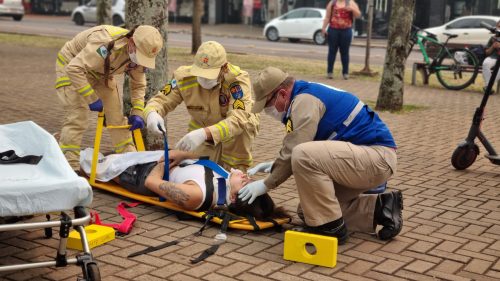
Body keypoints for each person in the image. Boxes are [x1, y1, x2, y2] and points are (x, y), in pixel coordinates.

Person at [238, 67, 402, 245]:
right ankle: (381, 208)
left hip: (376, 158)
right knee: (312, 212)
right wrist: (276, 164)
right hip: (365, 158)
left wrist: (266, 184)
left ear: (283, 94)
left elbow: (297, 149)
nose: (268, 111)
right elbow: (303, 148)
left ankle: (331, 230)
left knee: (302, 155)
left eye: (268, 105)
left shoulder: (304, 101)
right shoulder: (304, 94)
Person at [55, 25, 163, 172]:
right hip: (72, 65)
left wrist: (137, 112)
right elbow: (74, 69)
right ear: (131, 42)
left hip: (101, 72)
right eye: (140, 55)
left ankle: (130, 162)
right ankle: (69, 167)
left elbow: (138, 85)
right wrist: (91, 98)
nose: (140, 61)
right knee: (77, 117)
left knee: (116, 118)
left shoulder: (139, 55)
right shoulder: (104, 42)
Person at [144, 41, 259, 172]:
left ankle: (236, 170)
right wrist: (152, 113)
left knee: (231, 171)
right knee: (199, 168)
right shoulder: (184, 78)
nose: (204, 78)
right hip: (202, 128)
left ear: (224, 68)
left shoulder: (236, 81)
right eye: (200, 73)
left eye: (209, 74)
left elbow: (238, 119)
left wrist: (205, 133)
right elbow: (162, 99)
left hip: (234, 134)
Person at [80, 149, 286, 219]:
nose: (247, 178)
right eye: (250, 180)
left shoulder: (197, 195)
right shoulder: (224, 184)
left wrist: (165, 160)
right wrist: (183, 154)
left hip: (141, 174)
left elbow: (152, 182)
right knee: (100, 156)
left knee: (88, 165)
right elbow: (203, 164)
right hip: (165, 161)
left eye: (246, 184)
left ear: (232, 198)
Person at [321, 0, 361, 80]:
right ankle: (330, 72)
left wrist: (352, 9)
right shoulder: (332, 3)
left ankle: (345, 73)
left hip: (346, 30)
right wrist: (323, 28)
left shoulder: (350, 2)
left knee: (345, 52)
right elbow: (328, 17)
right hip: (333, 30)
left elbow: (358, 15)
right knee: (332, 52)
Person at [482, 19, 500, 92]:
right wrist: (493, 46)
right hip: (493, 57)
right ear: (496, 27)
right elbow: (487, 53)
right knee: (486, 63)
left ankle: (488, 87)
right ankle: (488, 87)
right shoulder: (493, 38)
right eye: (499, 26)